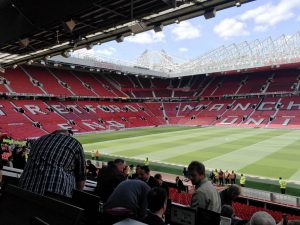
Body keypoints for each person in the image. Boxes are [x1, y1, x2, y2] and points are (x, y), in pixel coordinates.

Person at [19, 129, 86, 197]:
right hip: (56, 196)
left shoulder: (39, 140)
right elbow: (81, 178)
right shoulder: (74, 143)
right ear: (68, 135)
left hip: (24, 190)